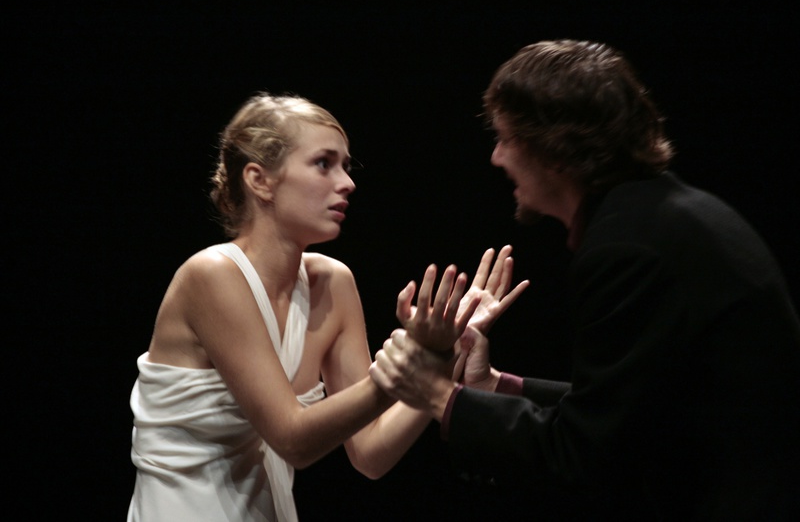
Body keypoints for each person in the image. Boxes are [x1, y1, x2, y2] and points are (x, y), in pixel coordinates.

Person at [370, 40, 800, 520]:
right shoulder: (658, 217)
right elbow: (627, 411)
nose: (496, 157)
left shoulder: (628, 248)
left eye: (505, 138)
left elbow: (583, 457)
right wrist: (490, 385)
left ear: (555, 149)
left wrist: (436, 393)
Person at [126, 93, 521, 521]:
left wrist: (446, 354)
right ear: (260, 180)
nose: (347, 182)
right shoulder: (213, 275)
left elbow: (371, 452)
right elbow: (293, 440)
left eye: (346, 166)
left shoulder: (333, 282)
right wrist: (411, 362)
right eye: (323, 163)